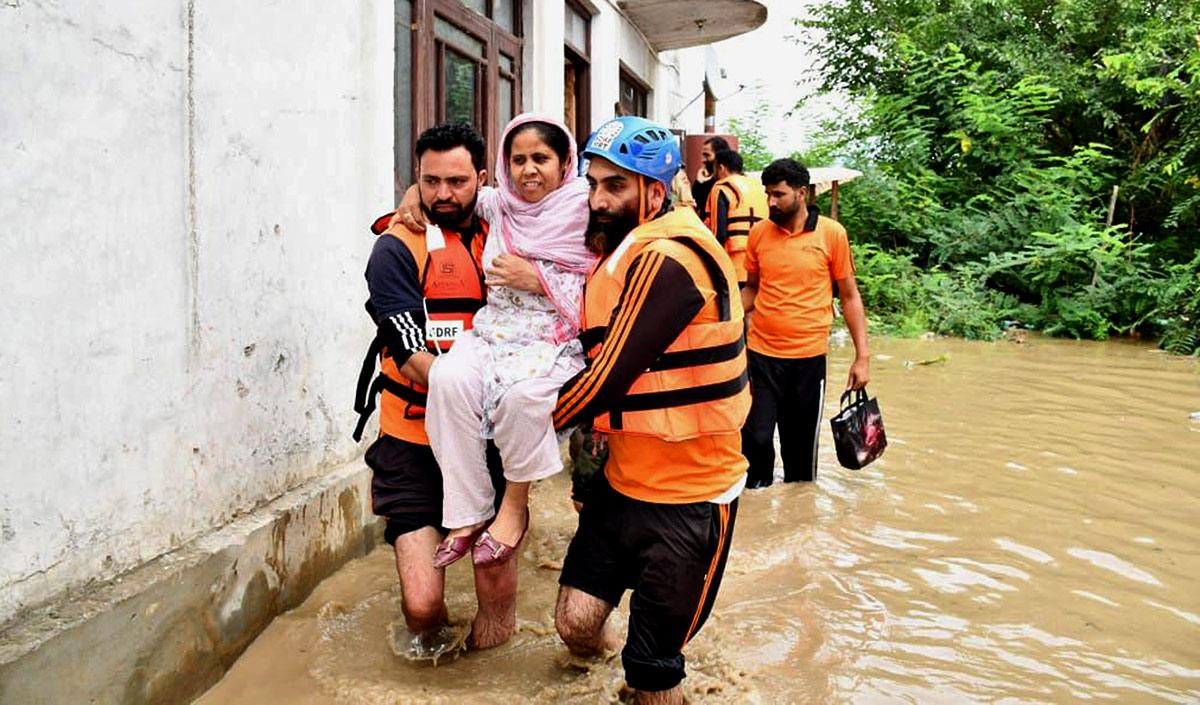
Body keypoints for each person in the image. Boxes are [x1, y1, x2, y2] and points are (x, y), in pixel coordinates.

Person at [551, 116, 750, 705]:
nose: (597, 200)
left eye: (615, 186)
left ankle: (651, 670)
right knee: (576, 626)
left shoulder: (669, 259)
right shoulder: (621, 248)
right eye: (592, 185)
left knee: (651, 677)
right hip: (622, 485)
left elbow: (604, 381)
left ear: (654, 193)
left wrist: (509, 424)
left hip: (690, 500)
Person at [352, 122, 517, 656]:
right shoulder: (396, 249)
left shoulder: (513, 228)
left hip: (494, 440)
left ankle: (489, 672)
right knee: (421, 609)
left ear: (484, 180)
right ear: (414, 179)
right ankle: (438, 655)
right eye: (430, 181)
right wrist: (461, 392)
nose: (443, 194)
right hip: (414, 439)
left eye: (457, 181)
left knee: (496, 614)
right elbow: (407, 348)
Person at [421, 114, 595, 568]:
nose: (528, 170)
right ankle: (467, 512)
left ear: (564, 164)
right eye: (517, 159)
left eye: (541, 158)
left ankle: (513, 508)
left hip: (554, 336)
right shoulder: (500, 205)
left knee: (521, 399)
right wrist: (409, 197)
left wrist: (538, 278)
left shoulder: (586, 210)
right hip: (494, 330)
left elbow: (603, 288)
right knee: (448, 379)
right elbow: (451, 191)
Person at [739, 158, 870, 488]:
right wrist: (721, 322)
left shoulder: (831, 234)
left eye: (779, 194)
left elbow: (850, 296)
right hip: (761, 356)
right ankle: (760, 512)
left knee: (800, 463)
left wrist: (862, 357)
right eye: (767, 194)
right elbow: (752, 288)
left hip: (808, 361)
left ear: (801, 193)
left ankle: (797, 522)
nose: (770, 202)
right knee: (754, 439)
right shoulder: (758, 234)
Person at [703, 148, 769, 286]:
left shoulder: (721, 189)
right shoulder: (760, 188)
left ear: (721, 167)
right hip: (761, 264)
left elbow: (718, 234)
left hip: (733, 267)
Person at [689, 135, 730, 222]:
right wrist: (699, 183)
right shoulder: (707, 182)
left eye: (707, 155)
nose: (703, 160)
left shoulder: (727, 184)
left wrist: (702, 184)